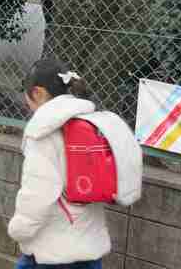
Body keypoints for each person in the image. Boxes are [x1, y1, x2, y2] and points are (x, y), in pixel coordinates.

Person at [8, 59, 109, 269]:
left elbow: (38, 193)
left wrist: (19, 229)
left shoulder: (43, 130)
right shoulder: (88, 121)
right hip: (89, 247)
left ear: (37, 93)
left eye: (27, 96)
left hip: (52, 251)